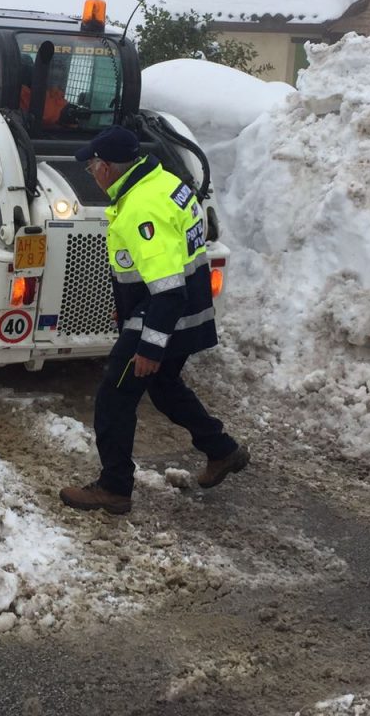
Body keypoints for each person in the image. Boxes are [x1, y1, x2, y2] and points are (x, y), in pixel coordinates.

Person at [59, 125, 249, 515]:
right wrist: (127, 305)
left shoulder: (141, 209)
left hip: (165, 316)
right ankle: (222, 449)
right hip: (184, 310)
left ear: (109, 168)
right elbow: (167, 265)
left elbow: (167, 289)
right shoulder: (164, 180)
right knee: (163, 387)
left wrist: (149, 344)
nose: (91, 172)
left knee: (114, 397)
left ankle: (114, 487)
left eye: (93, 165)